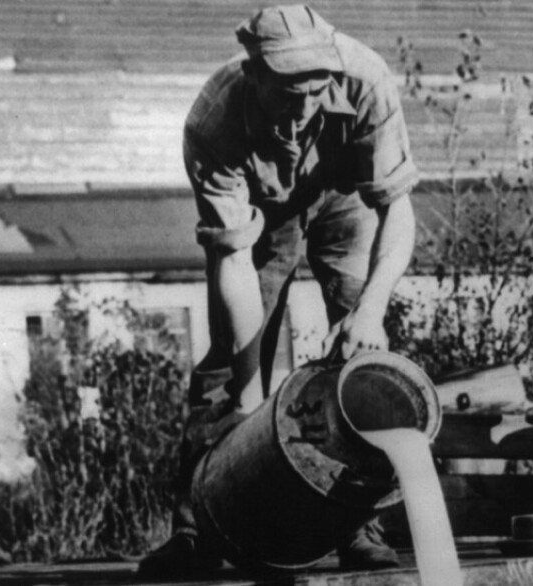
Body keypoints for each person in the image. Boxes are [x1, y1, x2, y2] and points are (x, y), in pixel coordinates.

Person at [137, 4, 419, 577]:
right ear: (254, 73)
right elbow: (232, 256)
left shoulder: (367, 82)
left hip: (347, 197)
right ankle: (199, 529)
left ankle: (358, 526)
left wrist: (369, 311)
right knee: (231, 366)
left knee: (362, 357)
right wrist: (248, 393)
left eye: (317, 91)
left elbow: (397, 209)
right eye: (289, 92)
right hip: (259, 217)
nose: (305, 105)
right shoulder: (213, 122)